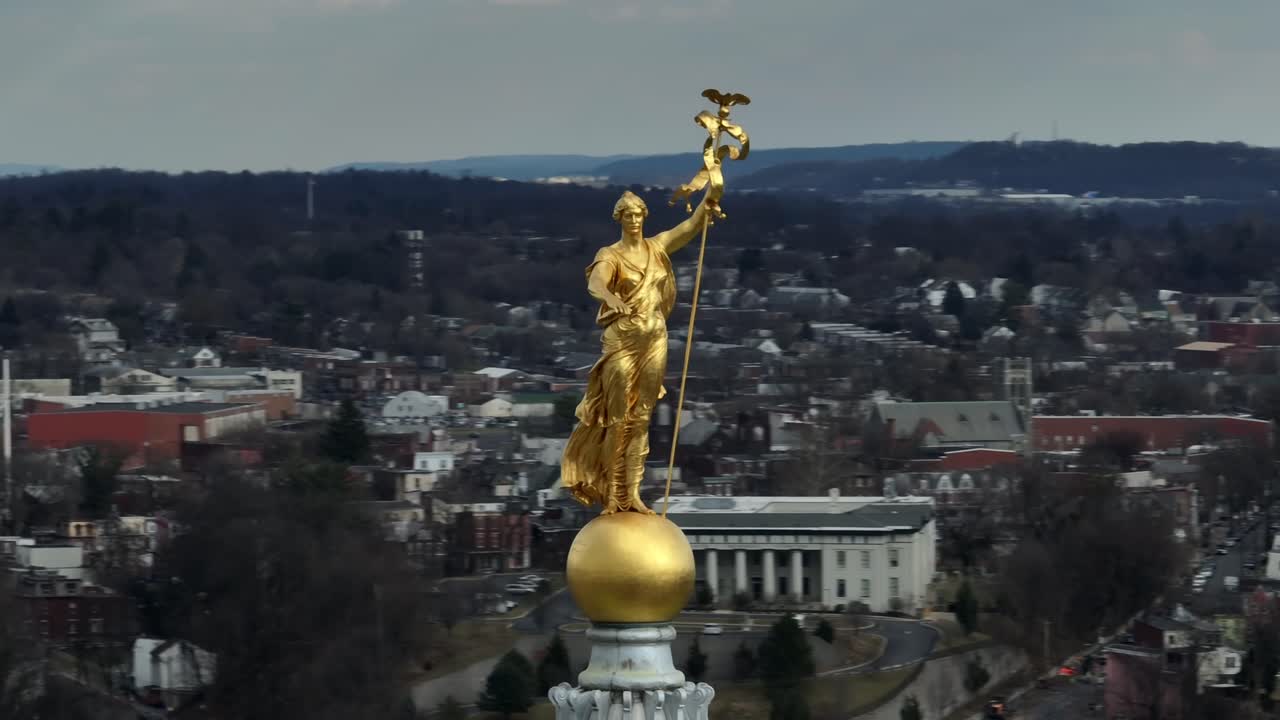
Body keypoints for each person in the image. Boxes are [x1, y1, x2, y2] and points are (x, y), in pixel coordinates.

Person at [561, 182, 722, 514]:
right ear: (619, 219)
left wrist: (713, 187)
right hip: (622, 339)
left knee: (642, 418)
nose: (634, 220)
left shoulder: (656, 247)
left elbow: (692, 226)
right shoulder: (610, 255)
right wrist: (610, 297)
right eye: (628, 215)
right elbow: (596, 282)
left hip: (654, 337)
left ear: (644, 217)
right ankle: (612, 493)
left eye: (638, 214)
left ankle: (632, 492)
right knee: (617, 418)